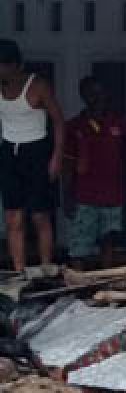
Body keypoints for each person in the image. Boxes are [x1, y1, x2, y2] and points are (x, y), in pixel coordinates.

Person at [0, 39, 64, 272]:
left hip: (36, 151)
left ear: (14, 65)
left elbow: (58, 121)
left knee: (39, 216)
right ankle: (19, 272)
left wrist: (57, 156)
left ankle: (46, 269)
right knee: (13, 218)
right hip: (9, 151)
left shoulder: (37, 85)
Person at [63, 76, 126, 269]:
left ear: (106, 94)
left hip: (112, 194)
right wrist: (67, 195)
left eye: (99, 92)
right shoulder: (74, 126)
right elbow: (68, 164)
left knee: (108, 241)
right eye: (90, 93)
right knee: (79, 245)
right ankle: (77, 285)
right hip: (84, 195)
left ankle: (106, 283)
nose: (95, 97)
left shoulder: (119, 123)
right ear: (83, 96)